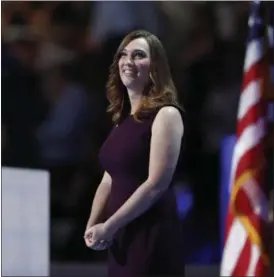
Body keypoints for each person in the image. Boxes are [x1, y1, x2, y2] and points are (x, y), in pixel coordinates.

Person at [84, 30, 185, 277]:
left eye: (138, 55)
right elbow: (108, 179)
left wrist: (109, 225)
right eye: (124, 54)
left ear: (154, 67)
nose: (128, 61)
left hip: (149, 231)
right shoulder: (122, 121)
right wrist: (93, 224)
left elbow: (156, 184)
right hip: (121, 234)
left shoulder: (166, 115)